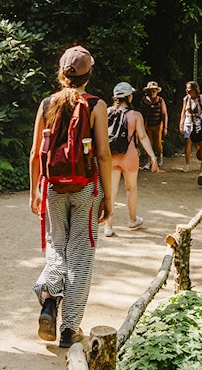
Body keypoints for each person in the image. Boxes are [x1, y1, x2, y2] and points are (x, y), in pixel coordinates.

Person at [29, 46, 113, 348]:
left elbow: (36, 153)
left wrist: (34, 191)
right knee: (80, 256)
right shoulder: (96, 105)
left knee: (56, 245)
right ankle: (69, 329)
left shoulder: (47, 103)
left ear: (61, 73)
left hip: (52, 186)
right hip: (86, 187)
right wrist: (108, 197)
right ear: (89, 74)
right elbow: (103, 154)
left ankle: (49, 300)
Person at [104, 82, 160, 237]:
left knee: (111, 191)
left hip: (111, 155)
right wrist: (152, 156)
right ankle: (132, 219)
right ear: (129, 96)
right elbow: (142, 136)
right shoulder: (135, 115)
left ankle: (109, 226)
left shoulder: (107, 112)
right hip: (129, 156)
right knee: (131, 188)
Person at [136, 81, 167, 170]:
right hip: (147, 125)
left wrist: (165, 127)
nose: (152, 92)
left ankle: (159, 157)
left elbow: (164, 114)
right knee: (148, 143)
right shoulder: (144, 101)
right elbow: (141, 114)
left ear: (157, 91)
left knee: (158, 143)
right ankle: (148, 161)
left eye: (154, 91)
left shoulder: (160, 100)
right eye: (150, 91)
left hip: (158, 124)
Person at [178, 81, 202, 172]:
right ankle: (187, 164)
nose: (187, 90)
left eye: (189, 88)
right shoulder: (186, 99)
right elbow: (183, 112)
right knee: (188, 142)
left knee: (198, 143)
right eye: (186, 88)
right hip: (188, 121)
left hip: (198, 123)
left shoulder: (201, 98)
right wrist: (181, 123)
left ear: (194, 89)